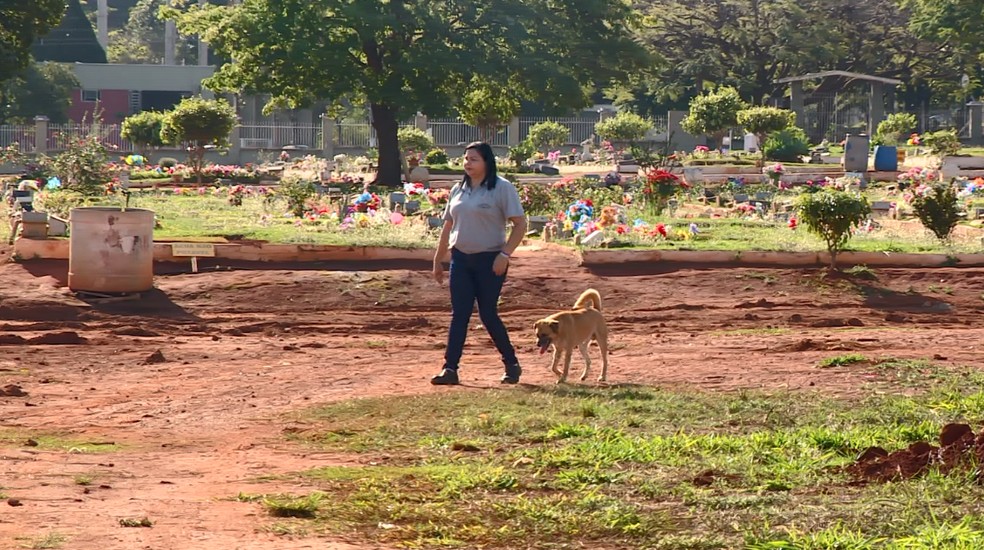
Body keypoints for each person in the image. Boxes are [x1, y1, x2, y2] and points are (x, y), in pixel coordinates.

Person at [431, 141, 528, 385]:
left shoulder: (501, 188)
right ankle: (450, 369)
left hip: (490, 260)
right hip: (461, 259)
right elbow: (448, 225)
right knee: (460, 314)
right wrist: (438, 259)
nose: (468, 163)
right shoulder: (458, 189)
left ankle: (511, 364)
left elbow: (520, 225)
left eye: (474, 159)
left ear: (487, 162)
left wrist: (504, 255)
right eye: (465, 159)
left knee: (487, 313)